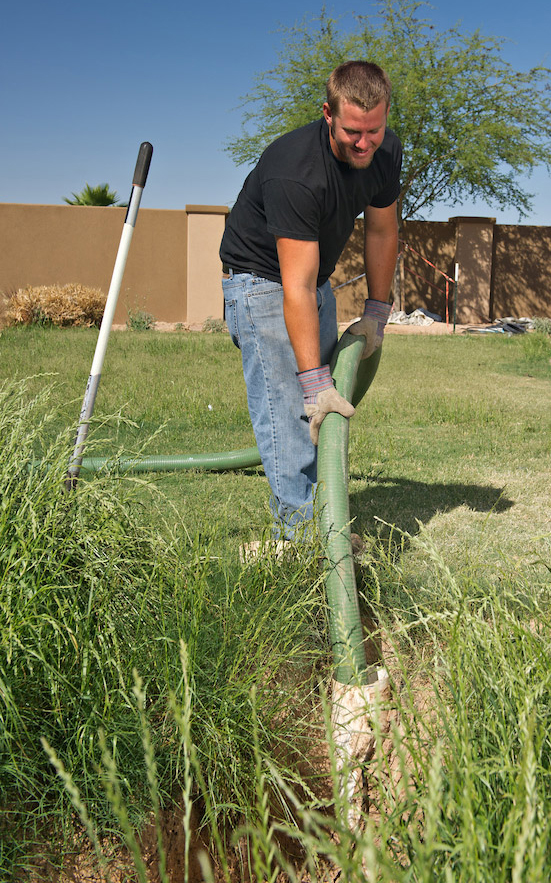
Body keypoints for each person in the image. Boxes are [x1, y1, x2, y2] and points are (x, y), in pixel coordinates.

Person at [220, 60, 402, 542]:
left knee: (319, 413)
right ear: (327, 113)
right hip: (261, 282)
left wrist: (376, 314)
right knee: (294, 409)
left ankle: (322, 523)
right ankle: (305, 539)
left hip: (313, 282)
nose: (363, 143)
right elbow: (292, 285)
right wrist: (315, 383)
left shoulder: (386, 152)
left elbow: (383, 231)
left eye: (374, 130)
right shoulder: (295, 170)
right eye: (351, 132)